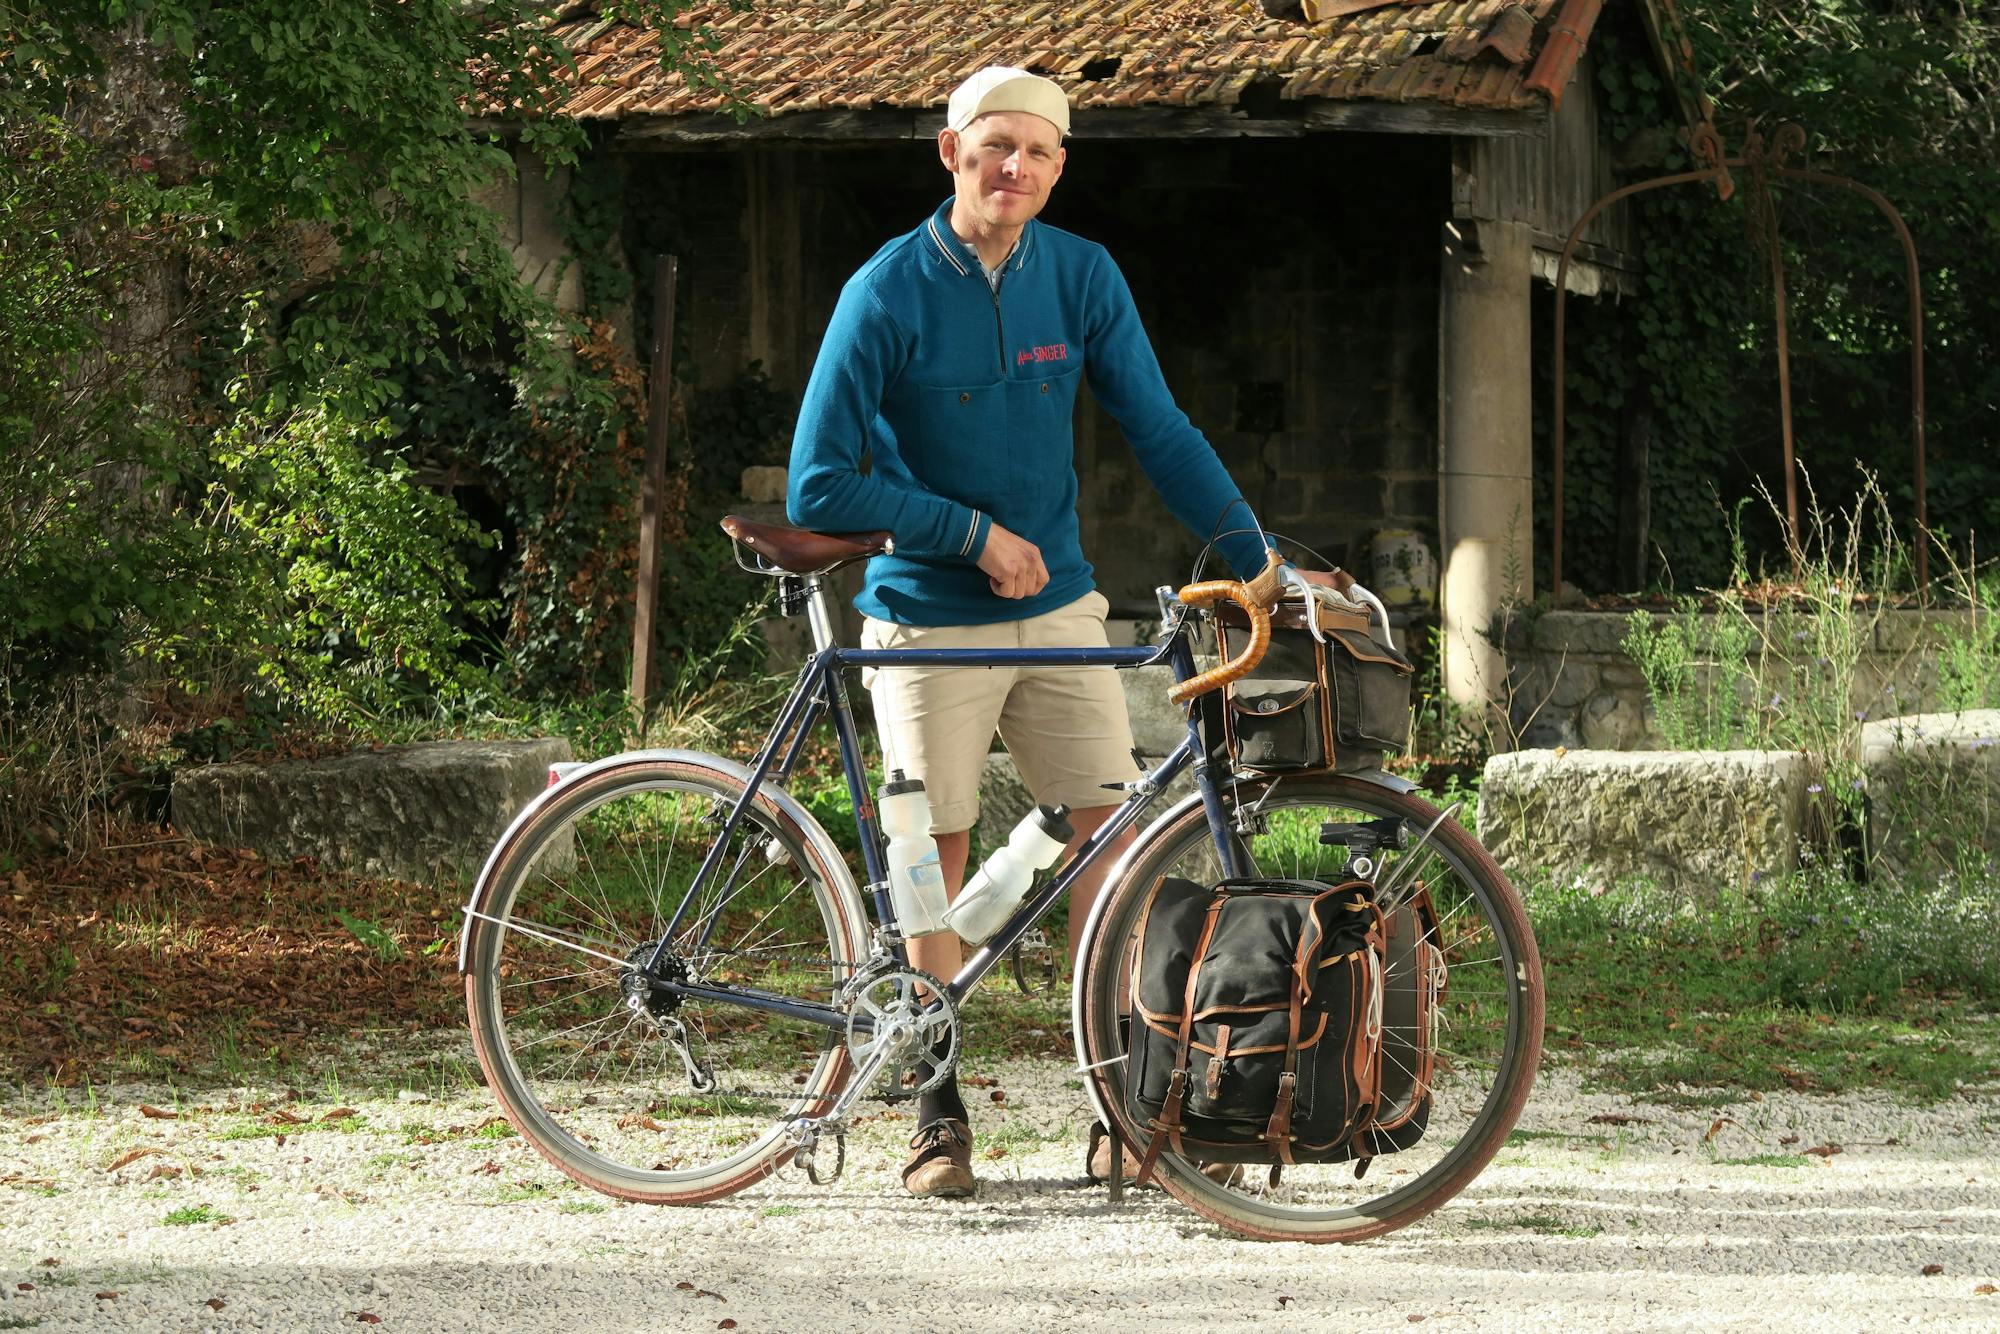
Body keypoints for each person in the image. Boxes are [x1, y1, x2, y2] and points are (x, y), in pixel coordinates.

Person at [787, 65, 1285, 1198]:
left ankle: (1120, 1107)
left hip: (1059, 606)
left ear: (1061, 168)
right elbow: (820, 482)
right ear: (950, 151)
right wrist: (966, 534)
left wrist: (1254, 554)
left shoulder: (1081, 274)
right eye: (996, 145)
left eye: (1039, 152)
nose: (1015, 167)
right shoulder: (886, 290)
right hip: (927, 616)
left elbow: (1157, 427)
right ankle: (935, 1115)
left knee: (1111, 851)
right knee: (937, 862)